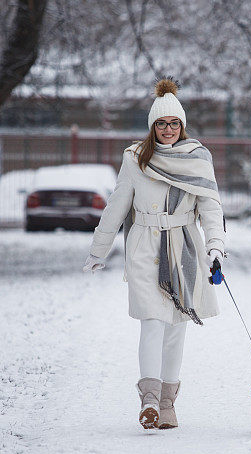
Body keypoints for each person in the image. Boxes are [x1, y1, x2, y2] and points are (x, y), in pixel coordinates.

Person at [82, 77, 226, 430]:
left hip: (184, 247)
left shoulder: (198, 159)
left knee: (176, 325)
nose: (168, 129)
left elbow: (211, 208)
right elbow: (116, 207)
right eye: (161, 123)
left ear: (182, 125)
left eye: (174, 123)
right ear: (152, 126)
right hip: (145, 245)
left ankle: (167, 404)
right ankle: (148, 401)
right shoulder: (135, 159)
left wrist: (216, 248)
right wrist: (99, 249)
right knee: (152, 321)